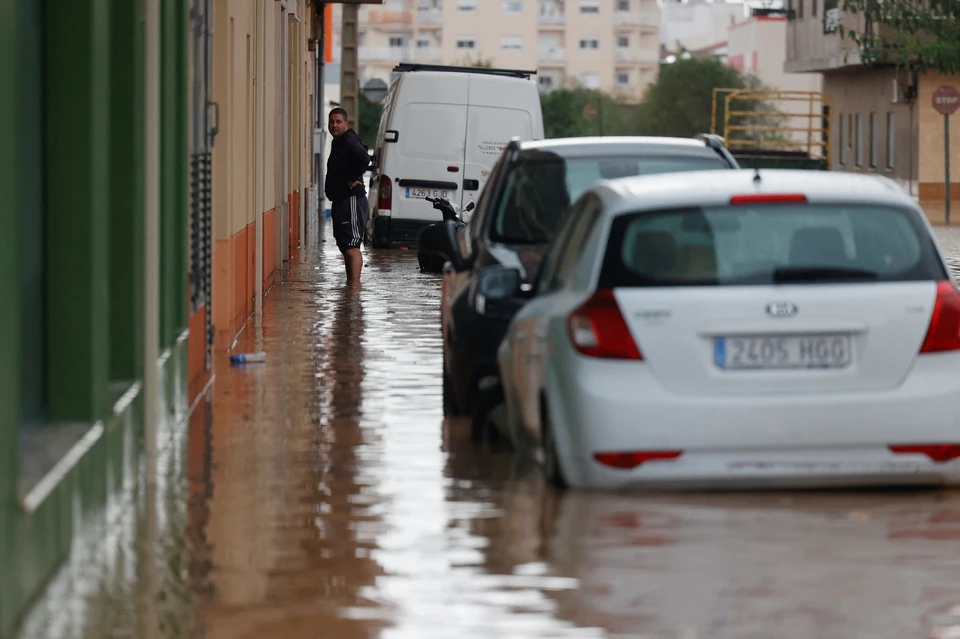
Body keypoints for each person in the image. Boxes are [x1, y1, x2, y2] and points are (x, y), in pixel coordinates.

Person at [325, 107, 371, 283]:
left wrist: (353, 178)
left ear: (346, 123)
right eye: (331, 121)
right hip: (341, 200)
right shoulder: (339, 141)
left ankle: (354, 288)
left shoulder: (348, 140)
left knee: (352, 247)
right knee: (346, 245)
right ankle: (350, 287)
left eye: (338, 122)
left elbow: (364, 158)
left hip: (351, 200)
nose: (334, 125)